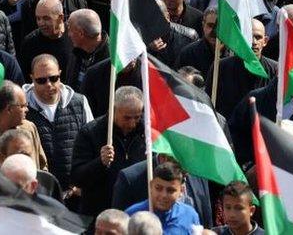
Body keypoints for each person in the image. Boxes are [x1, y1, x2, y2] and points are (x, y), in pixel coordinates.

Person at [71, 86, 146, 217]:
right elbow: (77, 177)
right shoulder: (91, 132)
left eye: (137, 117)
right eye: (127, 118)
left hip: (135, 213)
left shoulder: (148, 134)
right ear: (113, 110)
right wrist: (100, 163)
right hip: (100, 213)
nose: (132, 124)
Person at [23, 54, 93, 190]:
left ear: (60, 74)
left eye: (54, 78)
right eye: (41, 80)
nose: (49, 84)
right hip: (40, 190)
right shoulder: (23, 107)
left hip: (76, 190)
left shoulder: (79, 102)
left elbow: (90, 143)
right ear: (32, 78)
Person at [0, 82, 48, 169]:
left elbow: (43, 167)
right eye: (23, 106)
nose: (27, 109)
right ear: (9, 109)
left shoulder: (29, 128)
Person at [207, 19, 277, 118]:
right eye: (249, 37)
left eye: (258, 37)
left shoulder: (274, 70)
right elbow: (210, 100)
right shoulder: (221, 67)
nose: (254, 42)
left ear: (265, 41)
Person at [125, 163, 199, 235]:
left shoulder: (189, 215)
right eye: (158, 188)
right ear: (151, 186)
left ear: (181, 191)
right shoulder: (132, 215)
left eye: (170, 190)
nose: (164, 195)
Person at [18, 0, 74, 76]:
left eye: (46, 18)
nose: (41, 23)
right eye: (38, 18)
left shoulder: (73, 36)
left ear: (60, 17)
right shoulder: (30, 43)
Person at [66, 9, 109, 92]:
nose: (68, 34)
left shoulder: (112, 60)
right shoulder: (75, 52)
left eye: (70, 29)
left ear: (81, 33)